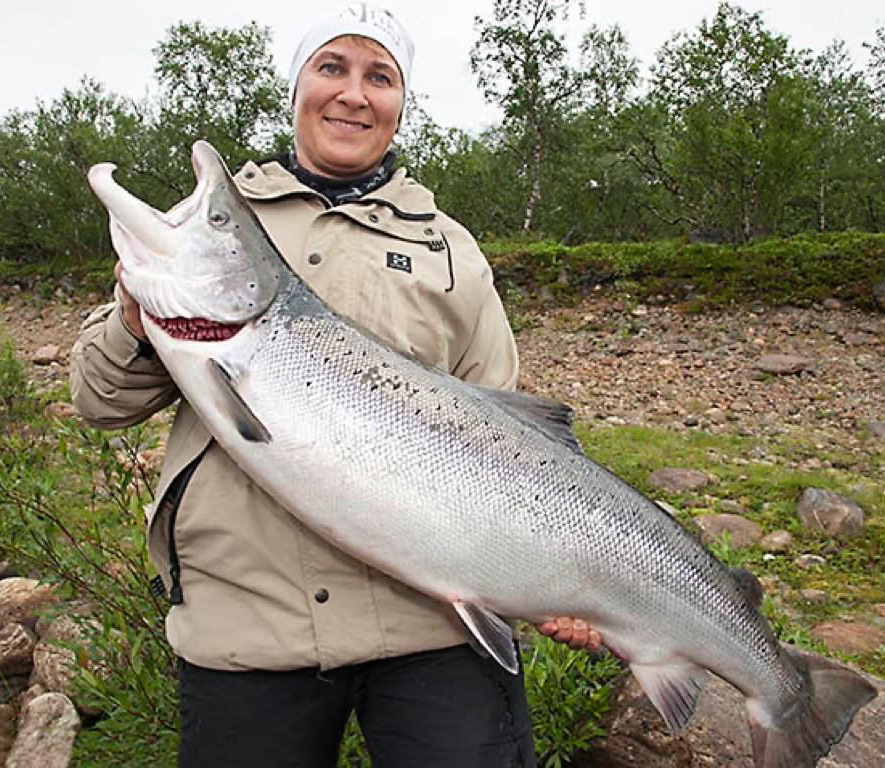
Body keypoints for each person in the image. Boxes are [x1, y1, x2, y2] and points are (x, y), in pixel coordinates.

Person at [71, 4, 601, 766]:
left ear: (399, 103)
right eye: (331, 68)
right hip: (248, 623)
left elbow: (513, 440)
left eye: (379, 76)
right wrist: (133, 313)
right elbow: (98, 400)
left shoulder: (451, 250)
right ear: (296, 89)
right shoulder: (219, 227)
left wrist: (559, 582)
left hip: (435, 626)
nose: (354, 94)